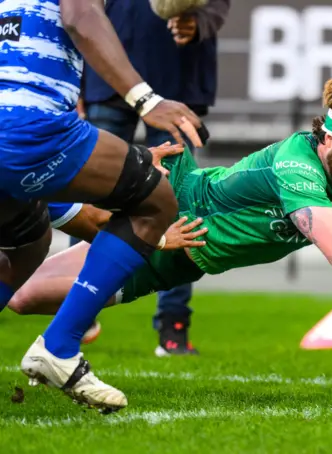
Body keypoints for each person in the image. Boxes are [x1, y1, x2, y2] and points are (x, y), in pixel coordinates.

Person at [9, 79, 332, 364]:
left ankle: (77, 294)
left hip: (185, 258)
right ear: (329, 141)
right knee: (38, 191)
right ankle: (23, 201)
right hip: (172, 209)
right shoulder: (295, 163)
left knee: (25, 298)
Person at [0, 0, 205, 413]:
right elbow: (80, 14)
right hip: (28, 128)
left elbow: (83, 217)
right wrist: (147, 101)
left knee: (29, 240)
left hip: (18, 130)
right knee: (156, 202)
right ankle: (59, 346)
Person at [76, 0, 230, 357]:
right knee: (91, 195)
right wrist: (76, 83)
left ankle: (173, 323)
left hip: (172, 78)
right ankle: (78, 307)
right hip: (106, 76)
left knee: (179, 201)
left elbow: (215, 4)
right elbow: (78, 11)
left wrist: (199, 21)